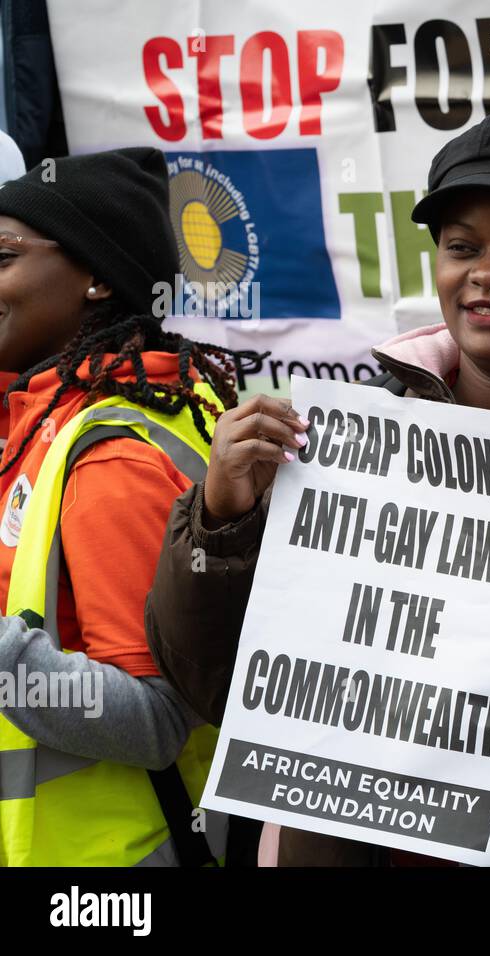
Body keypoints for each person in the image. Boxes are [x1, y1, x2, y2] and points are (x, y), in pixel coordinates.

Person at [145, 110, 490, 866]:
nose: (487, 272)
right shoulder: (329, 453)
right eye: (461, 247)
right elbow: (209, 685)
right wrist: (220, 518)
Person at [0, 147, 244, 865]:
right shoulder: (69, 410)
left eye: (3, 255)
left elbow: (156, 719)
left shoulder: (112, 453)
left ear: (98, 279)